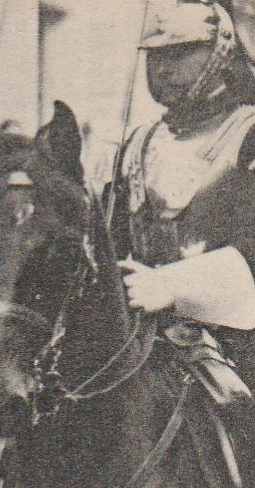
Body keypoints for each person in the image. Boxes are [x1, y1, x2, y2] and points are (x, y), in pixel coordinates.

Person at [111, 0, 255, 380]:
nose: (163, 69)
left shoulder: (248, 133)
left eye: (181, 52)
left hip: (237, 332)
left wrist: (172, 285)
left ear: (221, 51)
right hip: (139, 330)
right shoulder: (138, 144)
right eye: (155, 56)